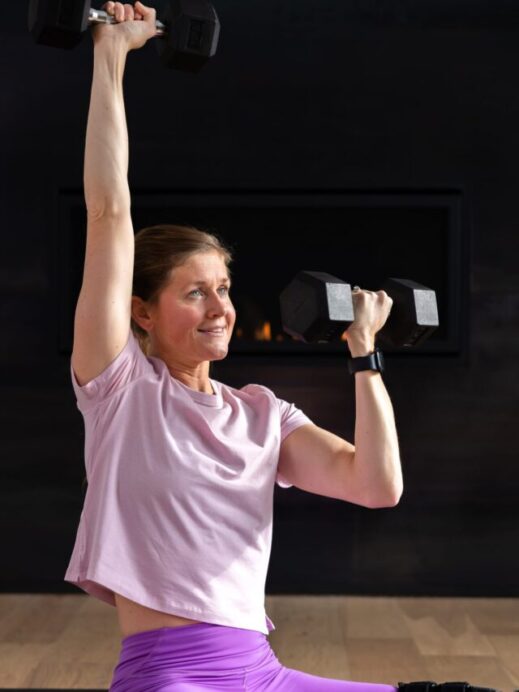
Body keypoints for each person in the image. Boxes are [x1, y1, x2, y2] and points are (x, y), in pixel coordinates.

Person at [64, 2, 403, 690]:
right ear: (141, 314)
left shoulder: (262, 414)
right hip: (172, 676)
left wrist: (364, 356)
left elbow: (376, 487)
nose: (220, 307)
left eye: (223, 288)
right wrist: (110, 53)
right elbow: (109, 212)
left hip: (262, 673)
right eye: (194, 292)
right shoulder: (120, 389)